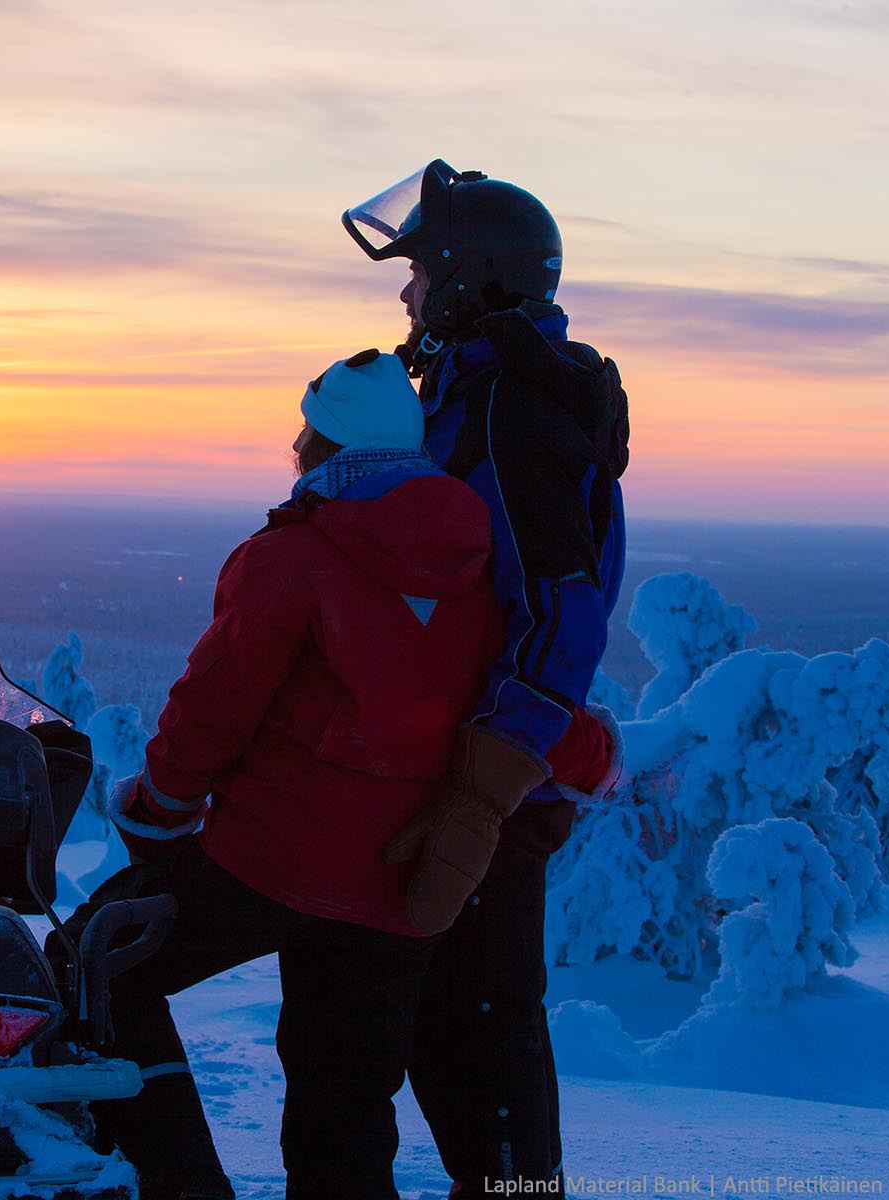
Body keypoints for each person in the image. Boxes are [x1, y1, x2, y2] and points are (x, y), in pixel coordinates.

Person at [85, 348, 509, 1200]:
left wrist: (160, 808)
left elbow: (214, 706)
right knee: (344, 1107)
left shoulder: (293, 557)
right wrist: (590, 758)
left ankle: (180, 1186)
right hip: (402, 884)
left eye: (303, 432)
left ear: (326, 446)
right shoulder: (483, 563)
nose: (293, 445)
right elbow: (510, 696)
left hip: (271, 861)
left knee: (95, 969)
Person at [342, 159, 630, 1195]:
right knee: (452, 1021)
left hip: (493, 776)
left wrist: (485, 778)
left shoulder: (511, 407)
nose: (405, 294)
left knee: (481, 1028)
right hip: (478, 760)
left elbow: (557, 605)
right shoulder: (485, 389)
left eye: (419, 274)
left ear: (467, 278)